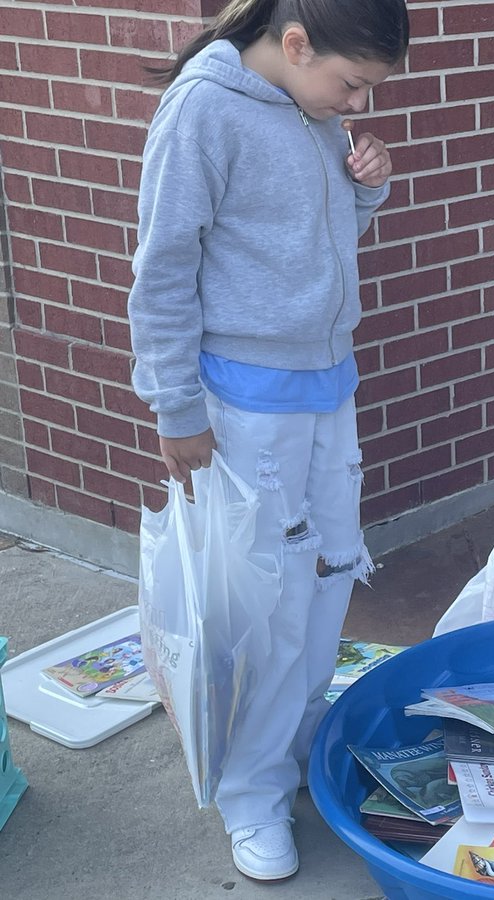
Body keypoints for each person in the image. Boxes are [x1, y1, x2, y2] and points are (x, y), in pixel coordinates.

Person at [127, 0, 409, 881]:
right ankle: (251, 794)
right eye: (351, 83)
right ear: (294, 44)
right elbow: (163, 267)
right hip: (245, 403)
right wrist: (175, 407)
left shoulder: (307, 105)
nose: (357, 104)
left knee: (328, 575)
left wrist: (366, 186)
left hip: (328, 388)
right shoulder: (203, 111)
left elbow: (315, 247)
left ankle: (291, 741)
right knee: (268, 603)